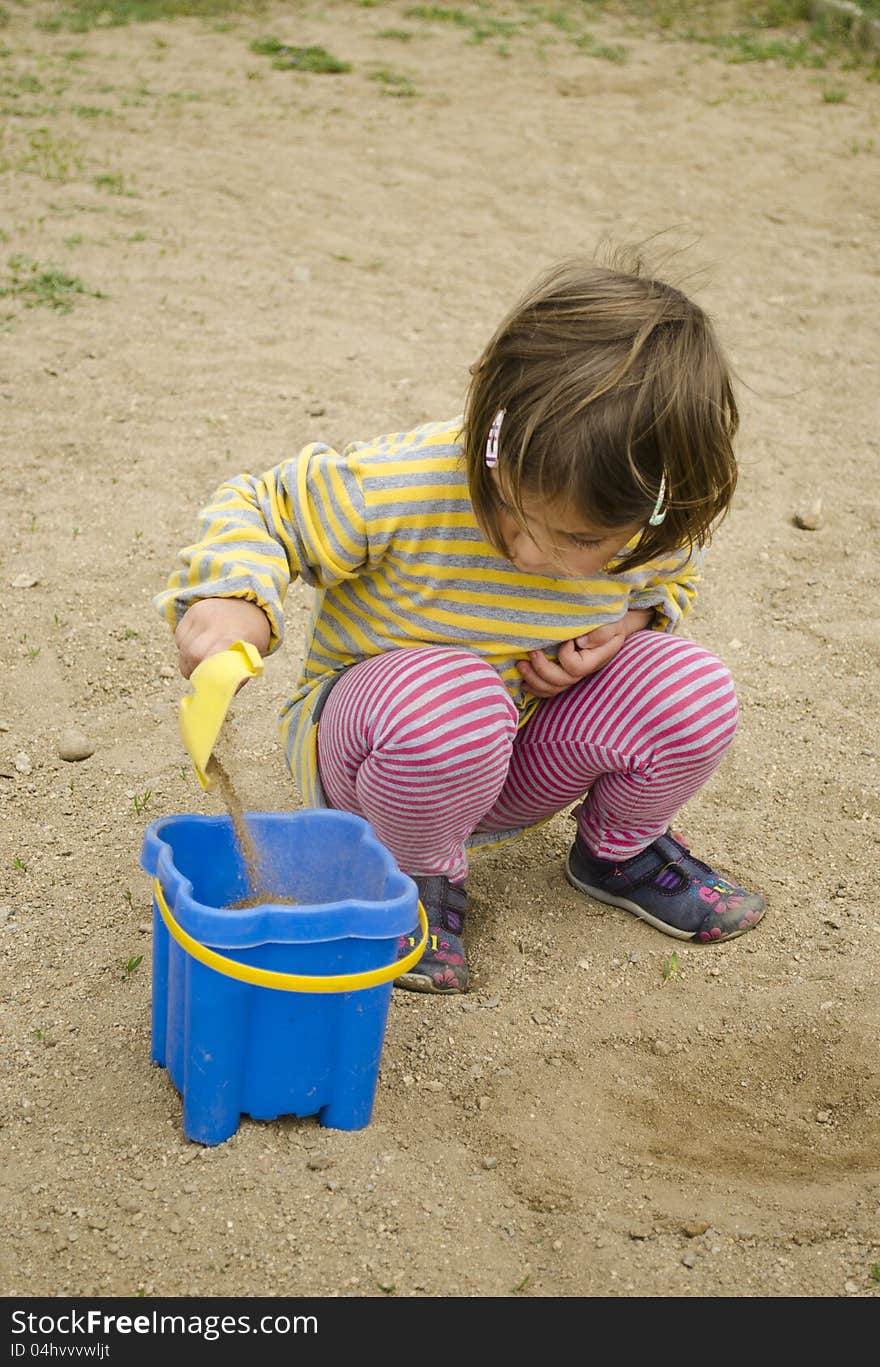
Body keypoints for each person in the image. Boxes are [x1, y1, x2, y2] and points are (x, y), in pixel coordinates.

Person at [155, 251, 766, 995]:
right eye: (511, 506)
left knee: (695, 688)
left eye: (579, 542)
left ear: (660, 507)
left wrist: (634, 620)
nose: (529, 550)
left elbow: (673, 577)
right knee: (458, 700)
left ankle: (617, 852)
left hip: (513, 758)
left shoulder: (645, 523)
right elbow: (262, 508)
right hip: (377, 755)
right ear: (491, 418)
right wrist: (232, 598)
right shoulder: (406, 485)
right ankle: (412, 878)